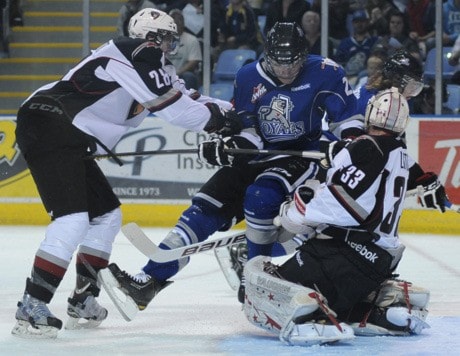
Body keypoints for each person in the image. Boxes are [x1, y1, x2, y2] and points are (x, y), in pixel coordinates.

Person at [98, 22, 364, 316]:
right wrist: (227, 146)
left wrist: (348, 142)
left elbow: (348, 119)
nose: (286, 70)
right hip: (257, 154)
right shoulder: (248, 76)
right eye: (278, 63)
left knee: (260, 197)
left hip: (298, 155)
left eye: (293, 63)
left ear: (305, 55)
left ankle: (256, 282)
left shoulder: (327, 71)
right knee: (205, 204)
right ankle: (150, 280)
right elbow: (247, 128)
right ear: (267, 56)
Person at [11, 8, 240, 339]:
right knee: (73, 218)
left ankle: (83, 299)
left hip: (62, 130)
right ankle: (32, 305)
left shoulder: (148, 64)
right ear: (147, 37)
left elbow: (189, 99)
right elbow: (175, 110)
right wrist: (221, 122)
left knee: (106, 216)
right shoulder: (136, 52)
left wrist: (236, 113)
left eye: (171, 41)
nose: (168, 47)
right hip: (50, 124)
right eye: (164, 39)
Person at [243, 88, 438, 344]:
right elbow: (367, 187)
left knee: (262, 282)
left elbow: (344, 205)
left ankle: (313, 318)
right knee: (342, 299)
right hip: (380, 262)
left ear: (369, 115)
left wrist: (297, 211)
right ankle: (382, 312)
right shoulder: (400, 154)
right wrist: (338, 158)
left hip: (343, 254)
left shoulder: (366, 148)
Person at [333, 9, 379, 82]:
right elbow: (339, 63)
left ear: (367, 22)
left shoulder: (374, 41)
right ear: (352, 23)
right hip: (348, 78)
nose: (359, 24)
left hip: (368, 78)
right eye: (356, 22)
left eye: (362, 21)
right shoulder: (345, 42)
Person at [167, 8, 202, 89]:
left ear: (183, 22)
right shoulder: (164, 39)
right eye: (173, 19)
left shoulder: (192, 39)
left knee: (189, 76)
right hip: (166, 74)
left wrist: (177, 73)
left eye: (179, 19)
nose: (176, 22)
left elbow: (193, 62)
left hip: (182, 74)